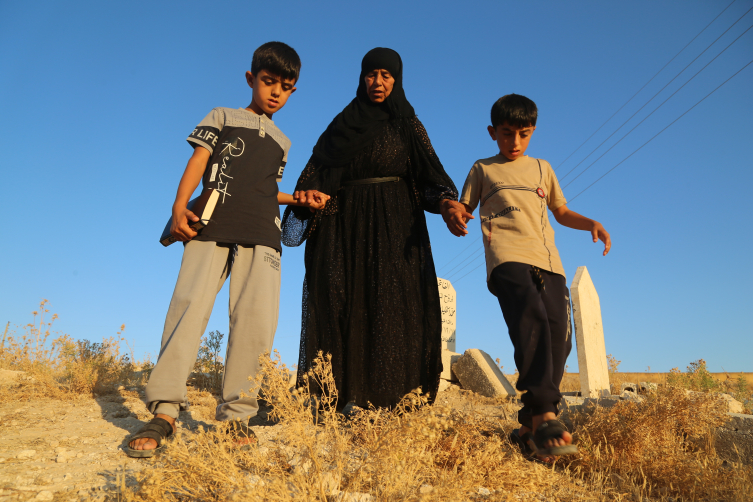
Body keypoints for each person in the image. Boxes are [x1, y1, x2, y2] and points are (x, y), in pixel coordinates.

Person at [127, 41, 328, 457]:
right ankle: (164, 410)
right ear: (251, 78)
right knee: (188, 309)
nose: (276, 92)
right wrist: (179, 206)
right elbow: (199, 162)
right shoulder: (221, 116)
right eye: (269, 81)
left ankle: (236, 416)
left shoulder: (283, 140)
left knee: (255, 324)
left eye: (286, 87)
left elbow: (263, 190)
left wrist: (298, 198)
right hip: (210, 225)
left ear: (293, 92)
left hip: (263, 233)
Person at [282, 48, 464, 410]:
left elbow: (430, 174)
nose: (377, 82)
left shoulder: (406, 124)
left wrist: (447, 204)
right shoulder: (341, 125)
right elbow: (315, 174)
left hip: (394, 225)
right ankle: (336, 398)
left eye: (386, 75)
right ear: (361, 77)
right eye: (370, 74)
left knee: (391, 306)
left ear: (397, 80)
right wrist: (307, 199)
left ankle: (390, 402)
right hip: (340, 225)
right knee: (338, 299)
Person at [444, 94, 611, 461]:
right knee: (531, 318)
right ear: (492, 132)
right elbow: (464, 206)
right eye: (506, 134)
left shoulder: (542, 169)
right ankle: (547, 415)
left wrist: (590, 224)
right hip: (507, 258)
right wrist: (456, 214)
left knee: (558, 335)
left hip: (548, 261)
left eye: (523, 134)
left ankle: (526, 428)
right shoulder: (483, 169)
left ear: (533, 131)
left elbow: (560, 211)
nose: (515, 142)